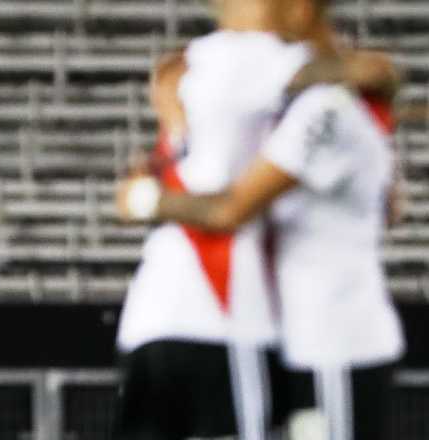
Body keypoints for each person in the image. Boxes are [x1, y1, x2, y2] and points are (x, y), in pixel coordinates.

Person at [116, 2, 403, 438]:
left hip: (326, 334)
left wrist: (147, 199)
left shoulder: (316, 99)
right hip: (274, 324)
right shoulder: (280, 78)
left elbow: (232, 209)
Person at [112, 1, 315, 438]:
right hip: (222, 310)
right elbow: (367, 74)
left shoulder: (193, 68)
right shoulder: (266, 61)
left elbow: (134, 195)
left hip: (152, 317)